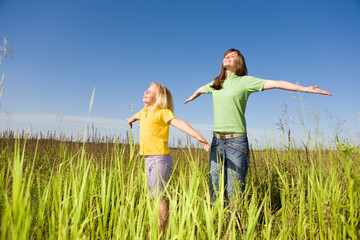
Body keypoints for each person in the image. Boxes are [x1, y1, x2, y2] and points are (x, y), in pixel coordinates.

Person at [184, 48, 332, 206]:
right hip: (216, 142)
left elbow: (276, 83)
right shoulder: (216, 84)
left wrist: (304, 89)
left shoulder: (246, 81)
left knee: (234, 189)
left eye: (232, 56)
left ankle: (234, 227)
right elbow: (201, 89)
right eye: (225, 56)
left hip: (236, 141)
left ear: (239, 63)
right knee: (215, 185)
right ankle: (215, 225)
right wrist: (193, 96)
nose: (227, 58)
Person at [126, 82, 210, 234]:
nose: (145, 92)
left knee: (159, 197)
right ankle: (155, 225)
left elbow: (179, 123)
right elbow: (135, 116)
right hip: (147, 159)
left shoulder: (163, 112)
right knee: (153, 195)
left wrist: (197, 136)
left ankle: (160, 231)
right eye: (146, 89)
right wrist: (130, 120)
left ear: (159, 97)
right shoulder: (144, 112)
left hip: (160, 158)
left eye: (150, 91)